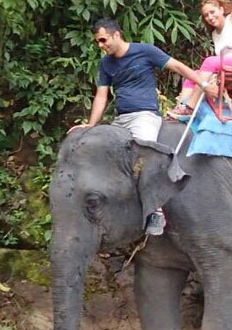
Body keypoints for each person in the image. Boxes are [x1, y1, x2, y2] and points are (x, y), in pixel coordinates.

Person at [70, 18, 206, 235]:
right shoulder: (106, 64)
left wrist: (203, 83)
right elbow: (102, 95)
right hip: (121, 119)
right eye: (98, 42)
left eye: (103, 40)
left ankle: (156, 211)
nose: (101, 45)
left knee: (144, 155)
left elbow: (177, 66)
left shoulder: (144, 51)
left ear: (116, 35)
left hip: (145, 116)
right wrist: (90, 125)